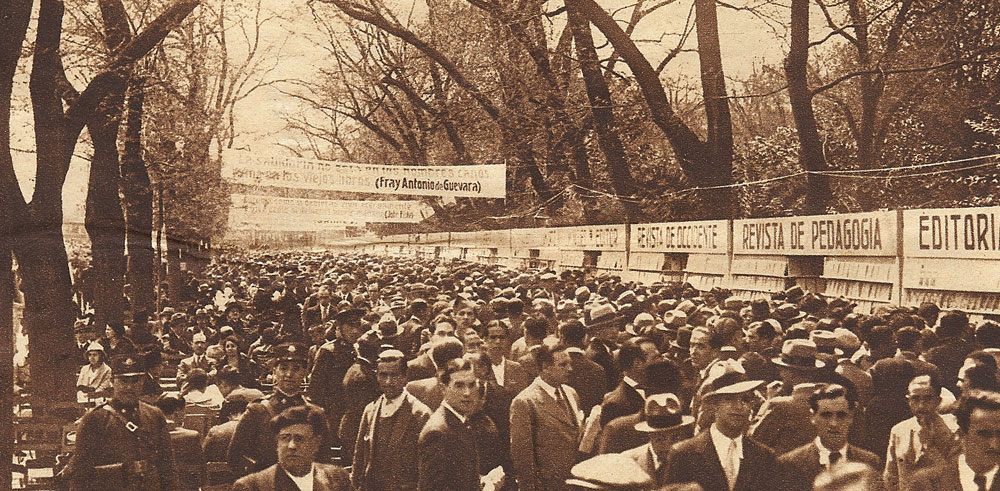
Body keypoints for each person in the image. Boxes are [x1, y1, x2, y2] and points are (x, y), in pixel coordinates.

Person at [65, 354, 179, 491]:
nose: (129, 387)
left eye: (135, 381)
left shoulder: (154, 415)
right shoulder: (95, 419)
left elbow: (167, 466)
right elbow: (80, 472)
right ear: (112, 382)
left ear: (143, 381)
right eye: (123, 381)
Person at [664, 368, 778, 491]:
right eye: (729, 399)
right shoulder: (683, 453)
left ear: (751, 406)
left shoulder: (764, 456)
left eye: (745, 400)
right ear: (714, 405)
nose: (738, 406)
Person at [228, 342, 327, 477]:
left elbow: (324, 460)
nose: (289, 374)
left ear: (305, 372)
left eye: (296, 369)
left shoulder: (315, 413)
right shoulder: (257, 410)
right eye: (283, 368)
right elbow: (235, 455)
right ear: (274, 371)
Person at [351, 349, 432, 491]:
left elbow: (428, 467)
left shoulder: (420, 414)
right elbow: (359, 459)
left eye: (394, 375)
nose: (388, 382)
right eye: (383, 375)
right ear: (377, 376)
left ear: (405, 376)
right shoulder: (370, 410)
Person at [510, 338, 584, 491]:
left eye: (570, 363)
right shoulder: (525, 402)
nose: (570, 369)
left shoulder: (571, 393)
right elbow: (522, 457)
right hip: (548, 485)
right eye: (563, 365)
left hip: (575, 481)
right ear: (545, 367)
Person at [418, 357, 501, 491]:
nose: (467, 393)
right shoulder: (437, 432)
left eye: (472, 384)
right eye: (459, 385)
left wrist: (483, 482)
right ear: (443, 388)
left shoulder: (461, 421)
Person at [777, 384, 880, 491]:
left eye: (841, 415)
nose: (834, 423)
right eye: (826, 415)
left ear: (850, 418)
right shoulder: (790, 464)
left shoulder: (869, 461)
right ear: (813, 417)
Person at [232, 405, 352, 491]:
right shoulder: (252, 486)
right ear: (277, 442)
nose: (291, 446)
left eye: (299, 439)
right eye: (285, 438)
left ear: (316, 443)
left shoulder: (337, 479)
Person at [909, 390, 1000, 490]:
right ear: (961, 435)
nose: (995, 444)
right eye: (984, 434)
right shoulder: (925, 484)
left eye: (999, 434)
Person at [884, 374, 961, 490]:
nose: (921, 405)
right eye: (915, 398)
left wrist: (928, 446)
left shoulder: (954, 431)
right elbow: (891, 476)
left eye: (928, 398)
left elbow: (953, 478)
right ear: (908, 400)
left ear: (938, 401)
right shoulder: (899, 430)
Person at [621, 393, 695, 487]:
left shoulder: (694, 461)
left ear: (683, 433)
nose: (669, 445)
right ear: (649, 435)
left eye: (675, 437)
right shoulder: (629, 461)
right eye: (660, 439)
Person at [156, 394, 206, 490]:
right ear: (177, 412)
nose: (185, 416)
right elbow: (201, 470)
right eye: (184, 412)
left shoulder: (151, 436)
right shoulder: (192, 436)